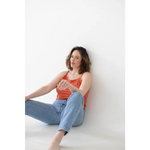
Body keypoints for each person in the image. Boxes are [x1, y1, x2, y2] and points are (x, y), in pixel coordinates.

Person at [22, 46, 92, 150]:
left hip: (74, 114)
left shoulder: (85, 75)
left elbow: (81, 93)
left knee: (76, 95)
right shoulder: (63, 74)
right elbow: (47, 88)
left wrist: (69, 85)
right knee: (24, 104)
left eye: (77, 57)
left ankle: (57, 139)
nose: (73, 59)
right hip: (55, 111)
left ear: (83, 60)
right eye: (72, 56)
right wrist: (28, 96)